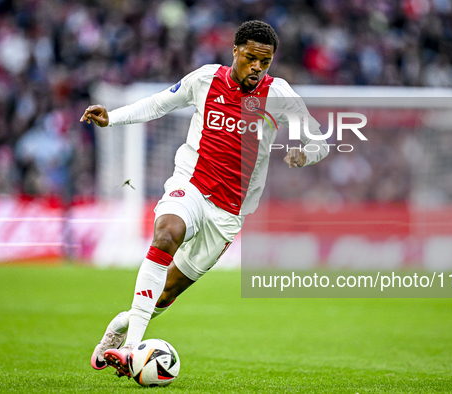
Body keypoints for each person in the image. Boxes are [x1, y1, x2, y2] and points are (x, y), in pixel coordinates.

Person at [80, 20, 328, 377]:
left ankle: (119, 328)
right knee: (167, 232)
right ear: (236, 52)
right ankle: (133, 348)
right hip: (191, 186)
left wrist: (306, 155)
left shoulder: (279, 95)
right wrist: (112, 119)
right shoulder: (205, 79)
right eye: (251, 58)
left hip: (229, 213)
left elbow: (318, 140)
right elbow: (159, 104)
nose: (257, 67)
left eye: (265, 62)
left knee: (166, 295)